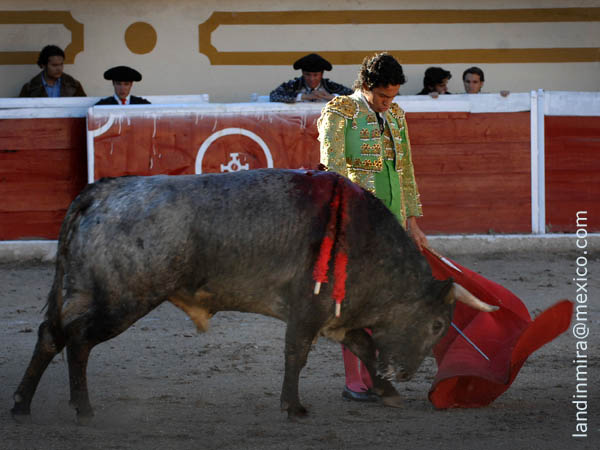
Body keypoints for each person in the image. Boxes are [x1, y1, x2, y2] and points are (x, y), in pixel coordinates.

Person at [318, 52, 428, 403]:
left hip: (392, 220)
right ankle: (355, 381)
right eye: (382, 96)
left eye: (393, 96)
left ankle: (374, 376)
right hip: (357, 220)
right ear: (365, 86)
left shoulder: (395, 115)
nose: (387, 103)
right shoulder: (339, 112)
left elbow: (405, 170)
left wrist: (411, 221)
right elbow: (332, 171)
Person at [269, 53, 352, 103]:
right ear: (302, 73)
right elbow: (274, 96)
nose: (312, 79)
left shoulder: (330, 86)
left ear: (322, 74)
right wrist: (304, 96)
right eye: (307, 75)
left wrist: (332, 97)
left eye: (315, 75)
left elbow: (355, 97)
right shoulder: (294, 85)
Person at [19, 45, 86, 97]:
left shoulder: (74, 85)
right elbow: (20, 112)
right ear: (43, 65)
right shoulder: (29, 88)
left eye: (61, 64)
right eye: (54, 65)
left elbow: (86, 109)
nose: (59, 68)